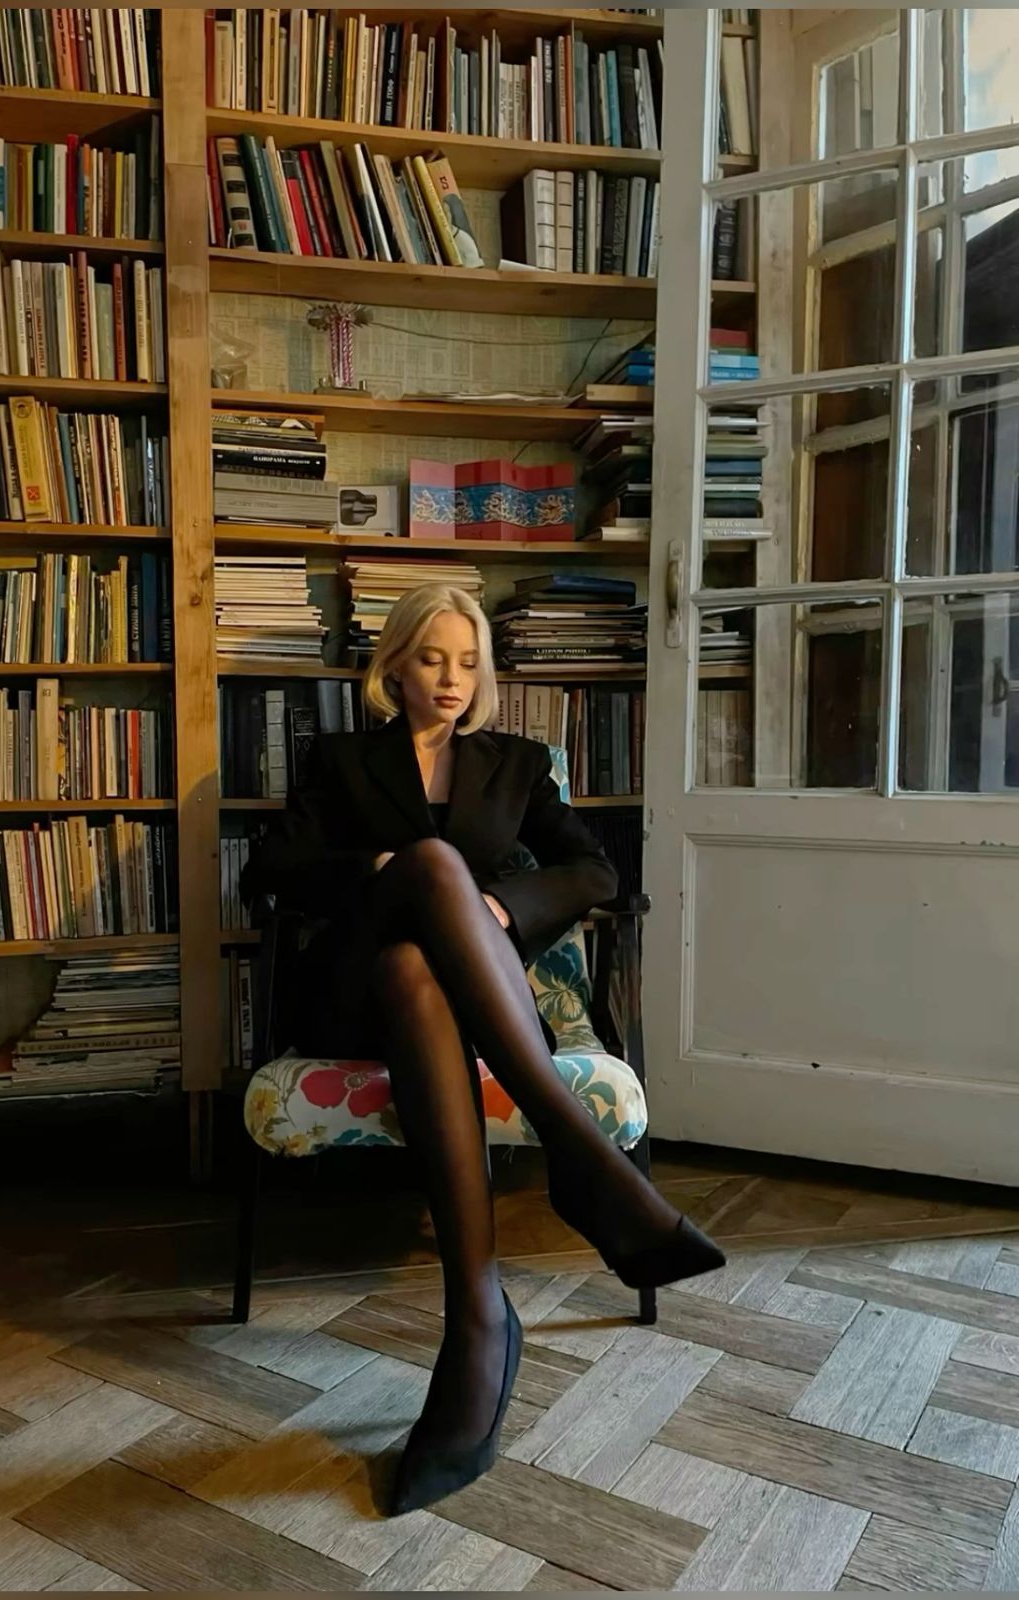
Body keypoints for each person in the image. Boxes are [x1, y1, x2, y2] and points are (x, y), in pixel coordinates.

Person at [243, 583, 724, 1516]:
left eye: (468, 662)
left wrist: (502, 908)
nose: (451, 679)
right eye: (431, 659)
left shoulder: (518, 766)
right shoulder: (341, 761)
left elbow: (594, 870)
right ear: (394, 667)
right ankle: (581, 1161)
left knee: (420, 965)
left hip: (469, 1006)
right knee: (426, 870)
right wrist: (376, 869)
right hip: (348, 998)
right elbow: (271, 870)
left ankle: (477, 1323)